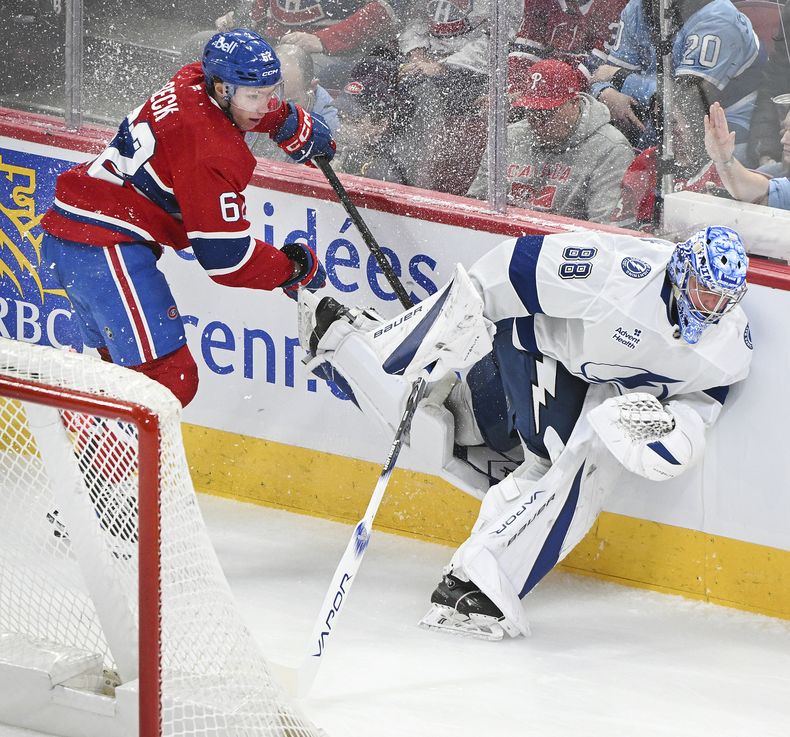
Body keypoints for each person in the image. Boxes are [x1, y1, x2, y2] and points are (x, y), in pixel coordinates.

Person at [298, 224, 752, 638]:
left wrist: (674, 438)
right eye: (702, 291)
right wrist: (464, 308)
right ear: (679, 273)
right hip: (536, 345)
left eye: (721, 300)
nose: (709, 307)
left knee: (472, 442)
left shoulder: (728, 345)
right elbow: (516, 265)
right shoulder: (620, 274)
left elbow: (703, 403)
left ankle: (344, 340)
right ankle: (475, 582)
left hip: (596, 383)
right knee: (557, 463)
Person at [40, 29, 335, 408]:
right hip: (103, 251)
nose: (263, 105)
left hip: (79, 242)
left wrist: (285, 121)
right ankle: (111, 464)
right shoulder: (210, 151)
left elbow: (232, 107)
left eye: (270, 93)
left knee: (122, 382)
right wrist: (292, 269)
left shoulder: (191, 78)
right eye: (253, 97)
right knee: (167, 381)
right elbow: (228, 260)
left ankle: (99, 464)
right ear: (222, 89)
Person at [468, 58, 634, 224]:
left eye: (547, 112)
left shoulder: (611, 149)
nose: (537, 122)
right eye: (531, 111)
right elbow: (476, 206)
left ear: (574, 103)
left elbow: (604, 231)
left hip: (565, 245)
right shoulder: (509, 138)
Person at [590, 0, 762, 154]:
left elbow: (682, 103)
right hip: (660, 121)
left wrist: (621, 77)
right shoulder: (637, 7)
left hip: (728, 127)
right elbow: (602, 76)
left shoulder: (718, 17)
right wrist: (605, 93)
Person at [247, 43, 340, 159]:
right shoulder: (246, 99)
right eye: (271, 98)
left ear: (312, 87)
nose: (278, 110)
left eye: (289, 102)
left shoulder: (331, 127)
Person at [704, 100, 790, 209]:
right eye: (785, 130)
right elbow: (755, 189)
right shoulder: (772, 173)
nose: (784, 139)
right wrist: (723, 158)